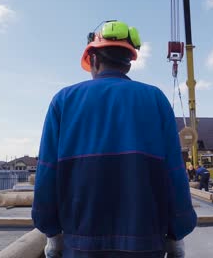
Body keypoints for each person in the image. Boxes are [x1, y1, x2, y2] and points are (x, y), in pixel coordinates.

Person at [32, 20, 197, 258]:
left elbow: (47, 171)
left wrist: (51, 233)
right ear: (128, 63)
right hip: (146, 244)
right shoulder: (155, 99)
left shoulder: (64, 101)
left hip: (79, 245)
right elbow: (174, 172)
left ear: (94, 59)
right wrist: (177, 233)